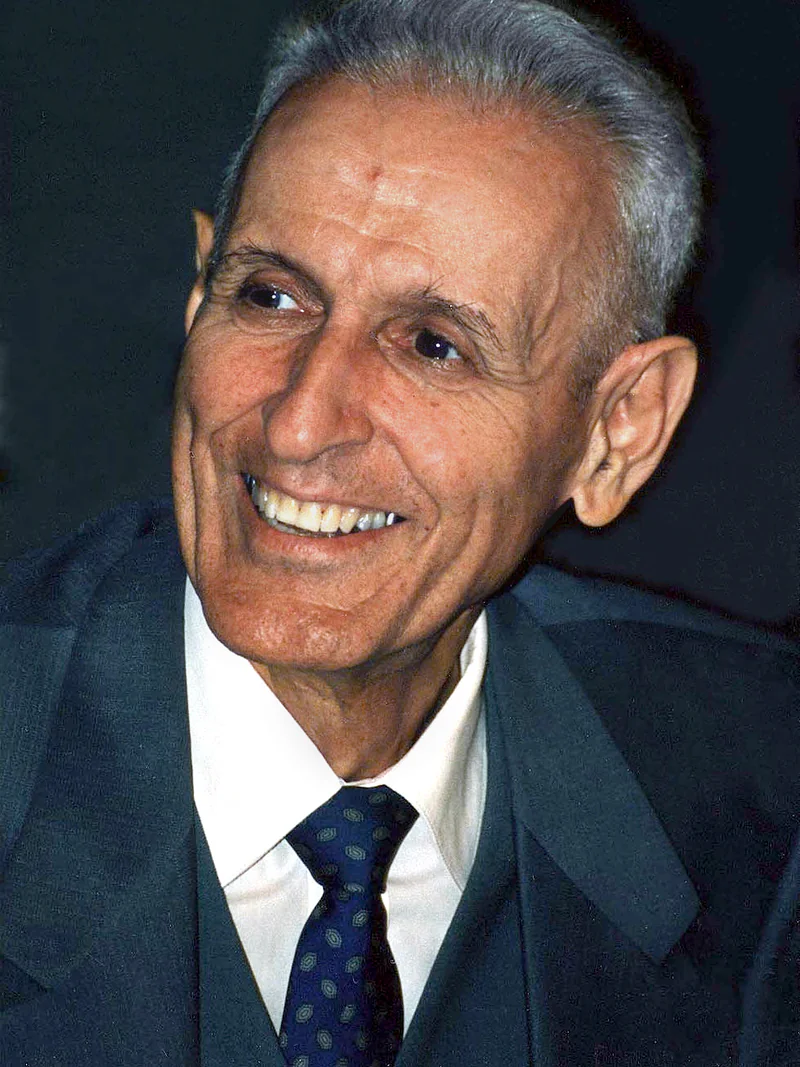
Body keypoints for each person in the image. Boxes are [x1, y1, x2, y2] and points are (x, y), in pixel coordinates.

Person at [1, 1, 798, 1064]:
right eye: (271, 296)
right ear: (198, 297)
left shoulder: (762, 789)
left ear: (617, 431)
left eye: (432, 345)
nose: (298, 423)